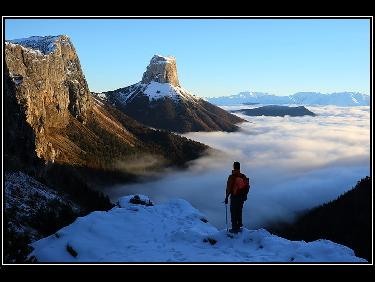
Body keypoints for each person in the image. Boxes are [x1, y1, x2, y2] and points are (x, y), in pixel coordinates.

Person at [224, 161, 250, 233]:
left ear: (233, 167)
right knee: (239, 211)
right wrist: (245, 196)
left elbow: (228, 188)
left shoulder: (232, 177)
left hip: (234, 197)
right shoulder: (243, 176)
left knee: (233, 212)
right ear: (239, 167)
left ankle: (234, 228)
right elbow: (247, 186)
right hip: (241, 197)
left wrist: (226, 197)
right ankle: (239, 226)